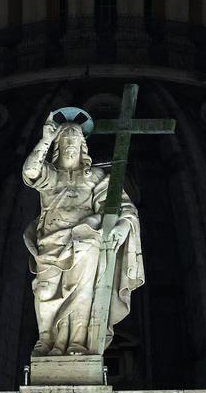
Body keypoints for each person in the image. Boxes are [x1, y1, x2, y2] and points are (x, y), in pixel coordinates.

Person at [22, 114, 143, 356]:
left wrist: (120, 228)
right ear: (57, 148)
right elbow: (31, 172)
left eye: (74, 143)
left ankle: (77, 340)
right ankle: (47, 340)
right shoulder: (51, 177)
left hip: (86, 240)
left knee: (82, 291)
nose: (69, 147)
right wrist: (45, 140)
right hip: (50, 240)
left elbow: (123, 209)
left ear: (82, 148)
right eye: (64, 143)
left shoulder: (97, 178)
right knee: (44, 291)